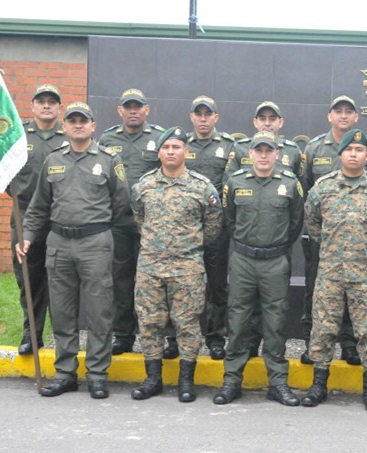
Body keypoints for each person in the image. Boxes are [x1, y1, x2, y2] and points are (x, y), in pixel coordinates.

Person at [17, 102, 130, 399]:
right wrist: (27, 236)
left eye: (84, 120)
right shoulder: (53, 160)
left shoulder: (108, 159)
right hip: (59, 244)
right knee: (63, 312)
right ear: (64, 127)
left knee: (99, 312)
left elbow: (121, 204)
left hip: (95, 243)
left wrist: (100, 231)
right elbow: (39, 206)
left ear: (93, 126)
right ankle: (65, 373)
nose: (78, 125)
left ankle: (97, 374)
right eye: (72, 120)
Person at [301, 129, 367, 411]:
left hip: (365, 273)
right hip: (330, 273)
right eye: (349, 150)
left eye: (360, 150)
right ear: (340, 154)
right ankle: (319, 384)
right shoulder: (323, 187)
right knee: (323, 329)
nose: (354, 154)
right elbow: (313, 224)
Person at [129, 127, 222, 403]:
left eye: (176, 147)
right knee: (149, 323)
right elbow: (139, 219)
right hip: (151, 268)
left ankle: (185, 382)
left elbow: (213, 226)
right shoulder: (143, 185)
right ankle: (153, 379)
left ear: (186, 151)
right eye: (166, 147)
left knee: (188, 324)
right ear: (159, 152)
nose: (171, 151)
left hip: (187, 268)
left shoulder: (202, 186)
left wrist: (188, 247)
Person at [214, 131, 304, 406]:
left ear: (277, 154)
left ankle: (277, 383)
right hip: (242, 259)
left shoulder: (290, 184)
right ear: (250, 153)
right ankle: (231, 381)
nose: (264, 155)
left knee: (275, 323)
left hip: (275, 261)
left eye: (269, 150)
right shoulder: (235, 181)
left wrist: (275, 247)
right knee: (238, 321)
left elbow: (295, 223)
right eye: (258, 150)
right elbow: (229, 220)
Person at [300, 96, 367, 365]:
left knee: (354, 294)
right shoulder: (315, 147)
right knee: (317, 291)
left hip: (357, 240)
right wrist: (319, 234)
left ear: (356, 117)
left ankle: (350, 344)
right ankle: (314, 342)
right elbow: (307, 189)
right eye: (338, 111)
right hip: (323, 238)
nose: (343, 116)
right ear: (329, 115)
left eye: (349, 112)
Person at [98, 88, 165, 356]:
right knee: (121, 278)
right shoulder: (107, 138)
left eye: (138, 106)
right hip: (120, 221)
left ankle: (162, 335)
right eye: (128, 106)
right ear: (120, 111)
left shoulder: (159, 137)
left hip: (153, 222)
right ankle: (123, 334)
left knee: (157, 280)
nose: (133, 111)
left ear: (146, 110)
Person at [10, 84, 65, 355]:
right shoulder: (18, 135)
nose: (46, 106)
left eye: (52, 102)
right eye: (41, 101)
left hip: (58, 218)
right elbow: (3, 172)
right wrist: (18, 196)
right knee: (29, 278)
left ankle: (62, 338)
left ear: (59, 108)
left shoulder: (68, 138)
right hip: (23, 217)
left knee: (59, 278)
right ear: (32, 106)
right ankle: (31, 334)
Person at [185, 95, 240, 360]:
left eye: (208, 114)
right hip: (184, 228)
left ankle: (215, 337)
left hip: (217, 227)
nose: (203, 118)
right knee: (182, 284)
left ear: (216, 117)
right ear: (192, 117)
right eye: (199, 114)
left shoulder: (229, 146)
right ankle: (181, 337)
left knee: (217, 285)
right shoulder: (181, 145)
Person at [224, 100, 304, 179]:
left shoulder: (292, 151)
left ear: (280, 122)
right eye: (262, 119)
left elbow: (301, 186)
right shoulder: (240, 148)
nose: (267, 123)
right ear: (255, 122)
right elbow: (229, 182)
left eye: (272, 119)